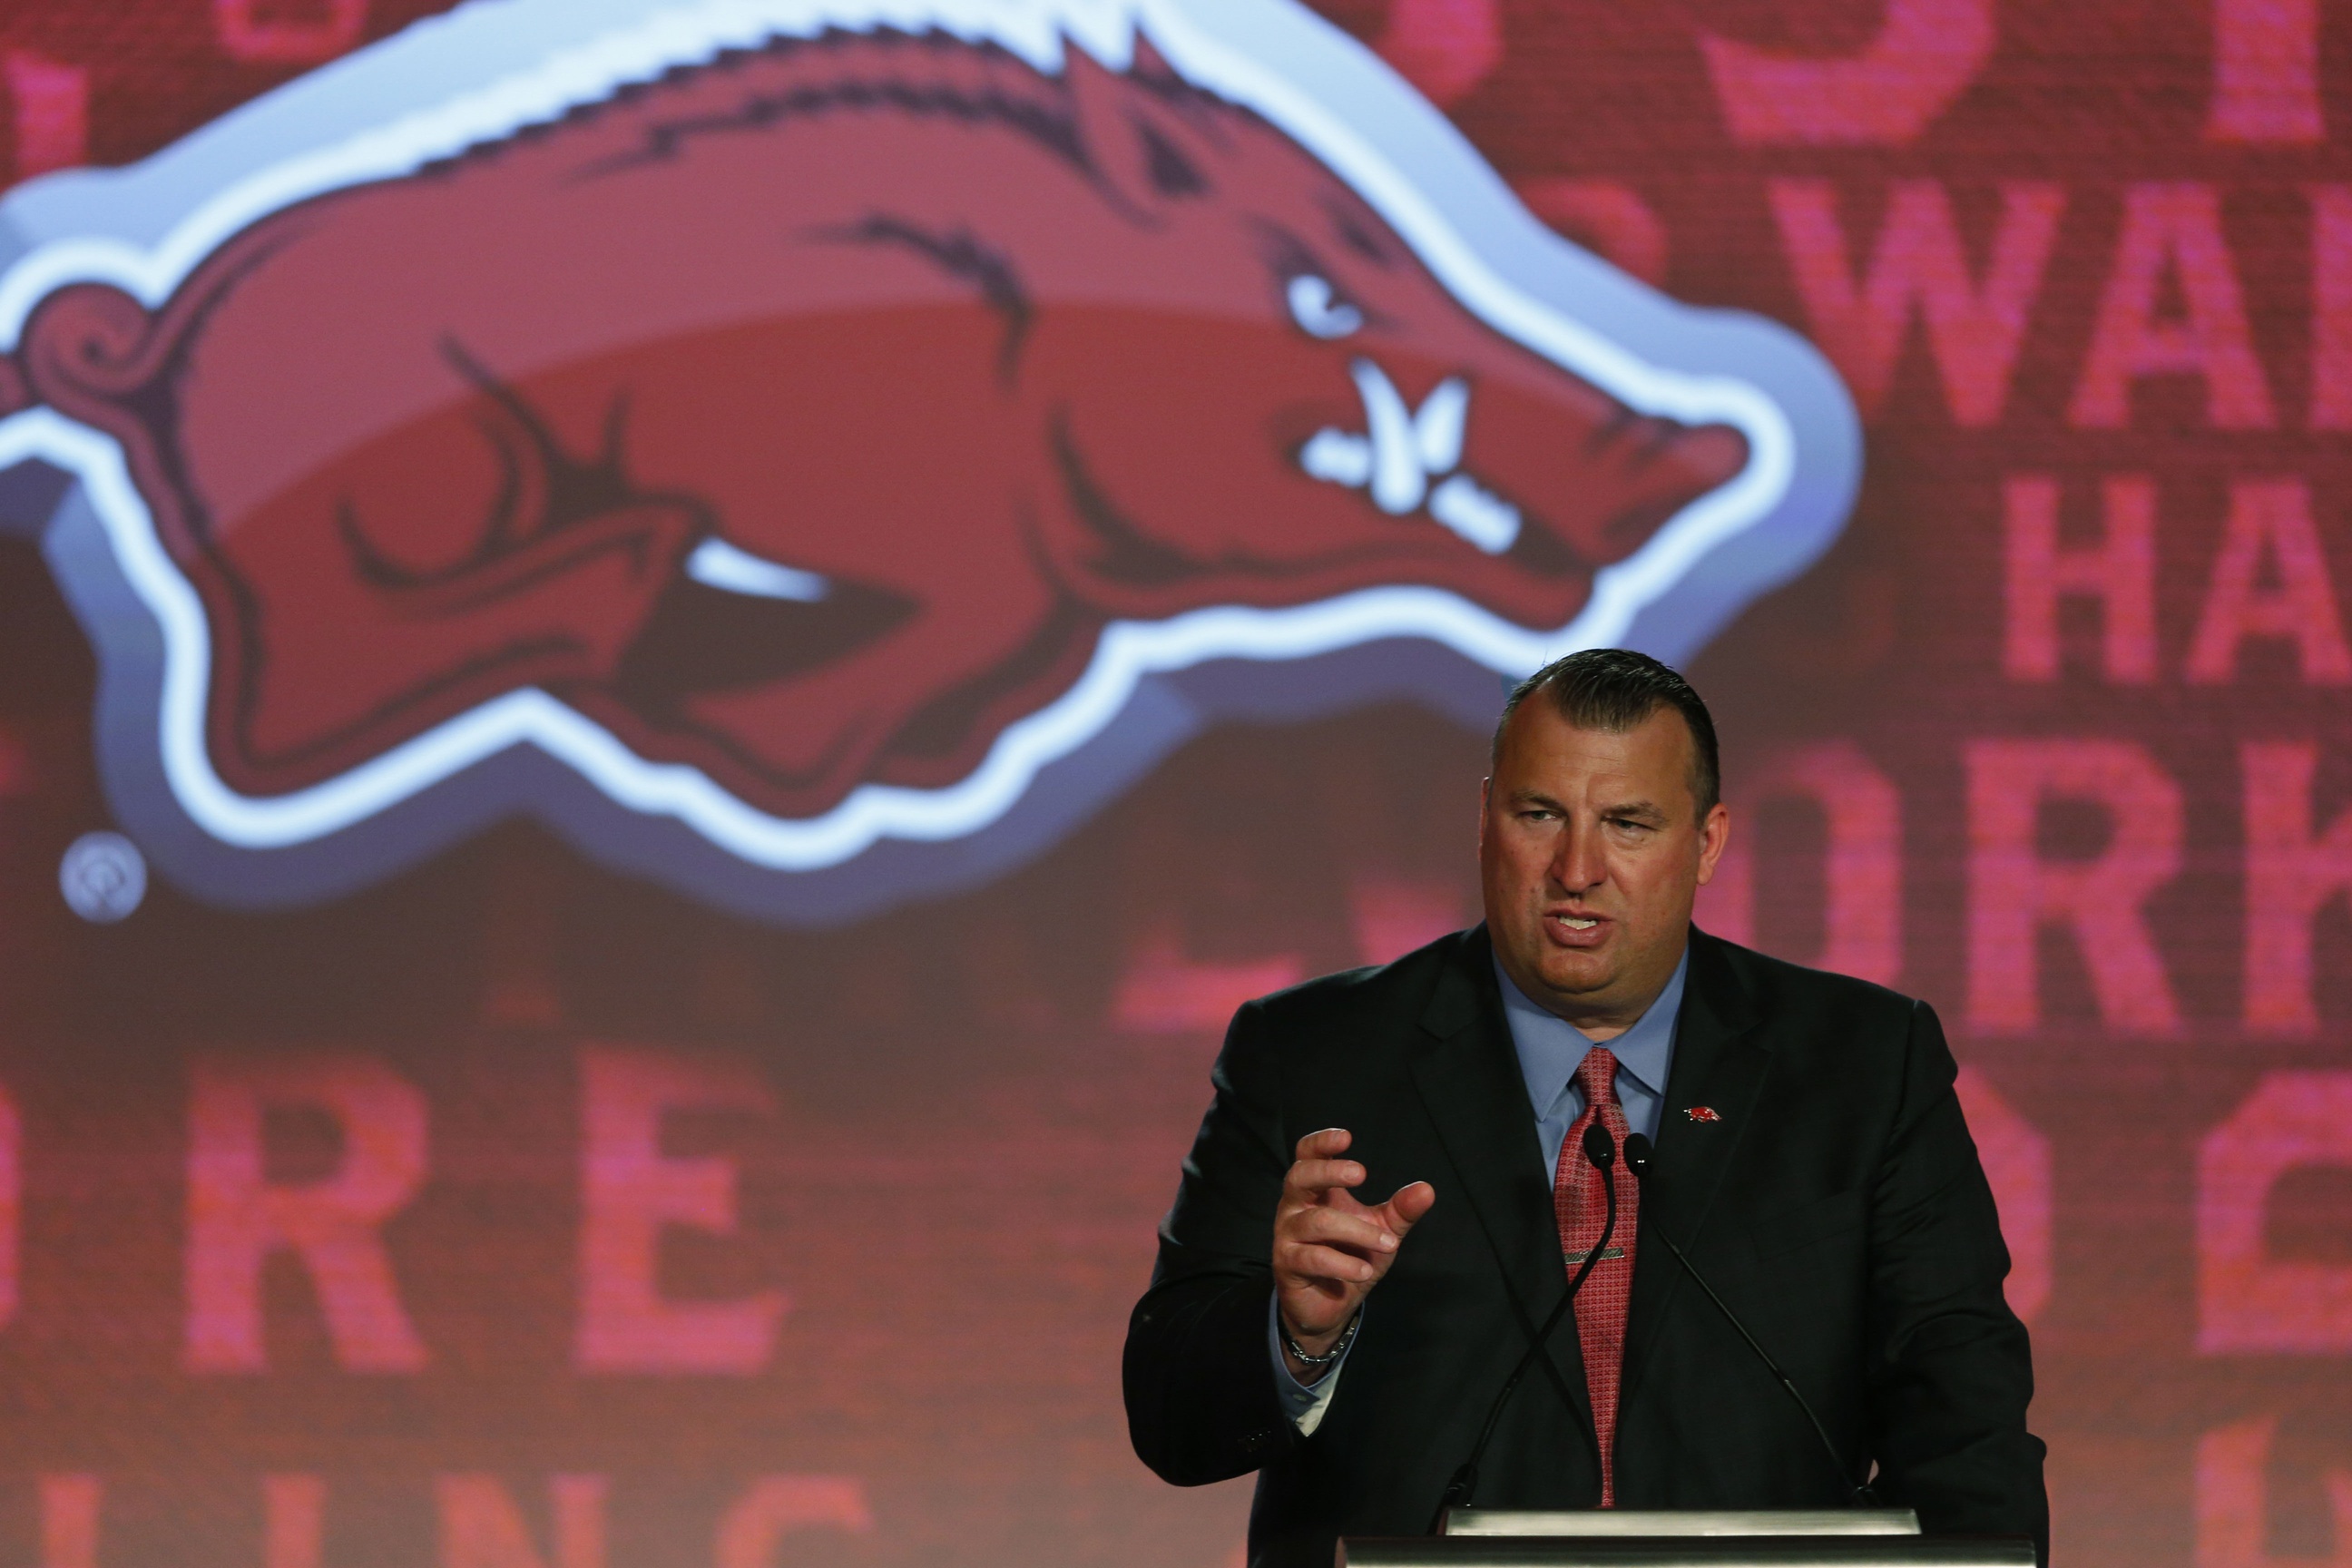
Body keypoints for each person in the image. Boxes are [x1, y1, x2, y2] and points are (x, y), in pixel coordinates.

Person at [1122, 649, 2046, 1567]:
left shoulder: (1864, 1065)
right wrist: (1294, 1337)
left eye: (1629, 824)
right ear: (1485, 818)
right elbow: (1170, 1418)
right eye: (1540, 815)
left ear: (1708, 842)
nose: (1577, 868)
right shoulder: (1314, 1054)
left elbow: (1965, 1424)